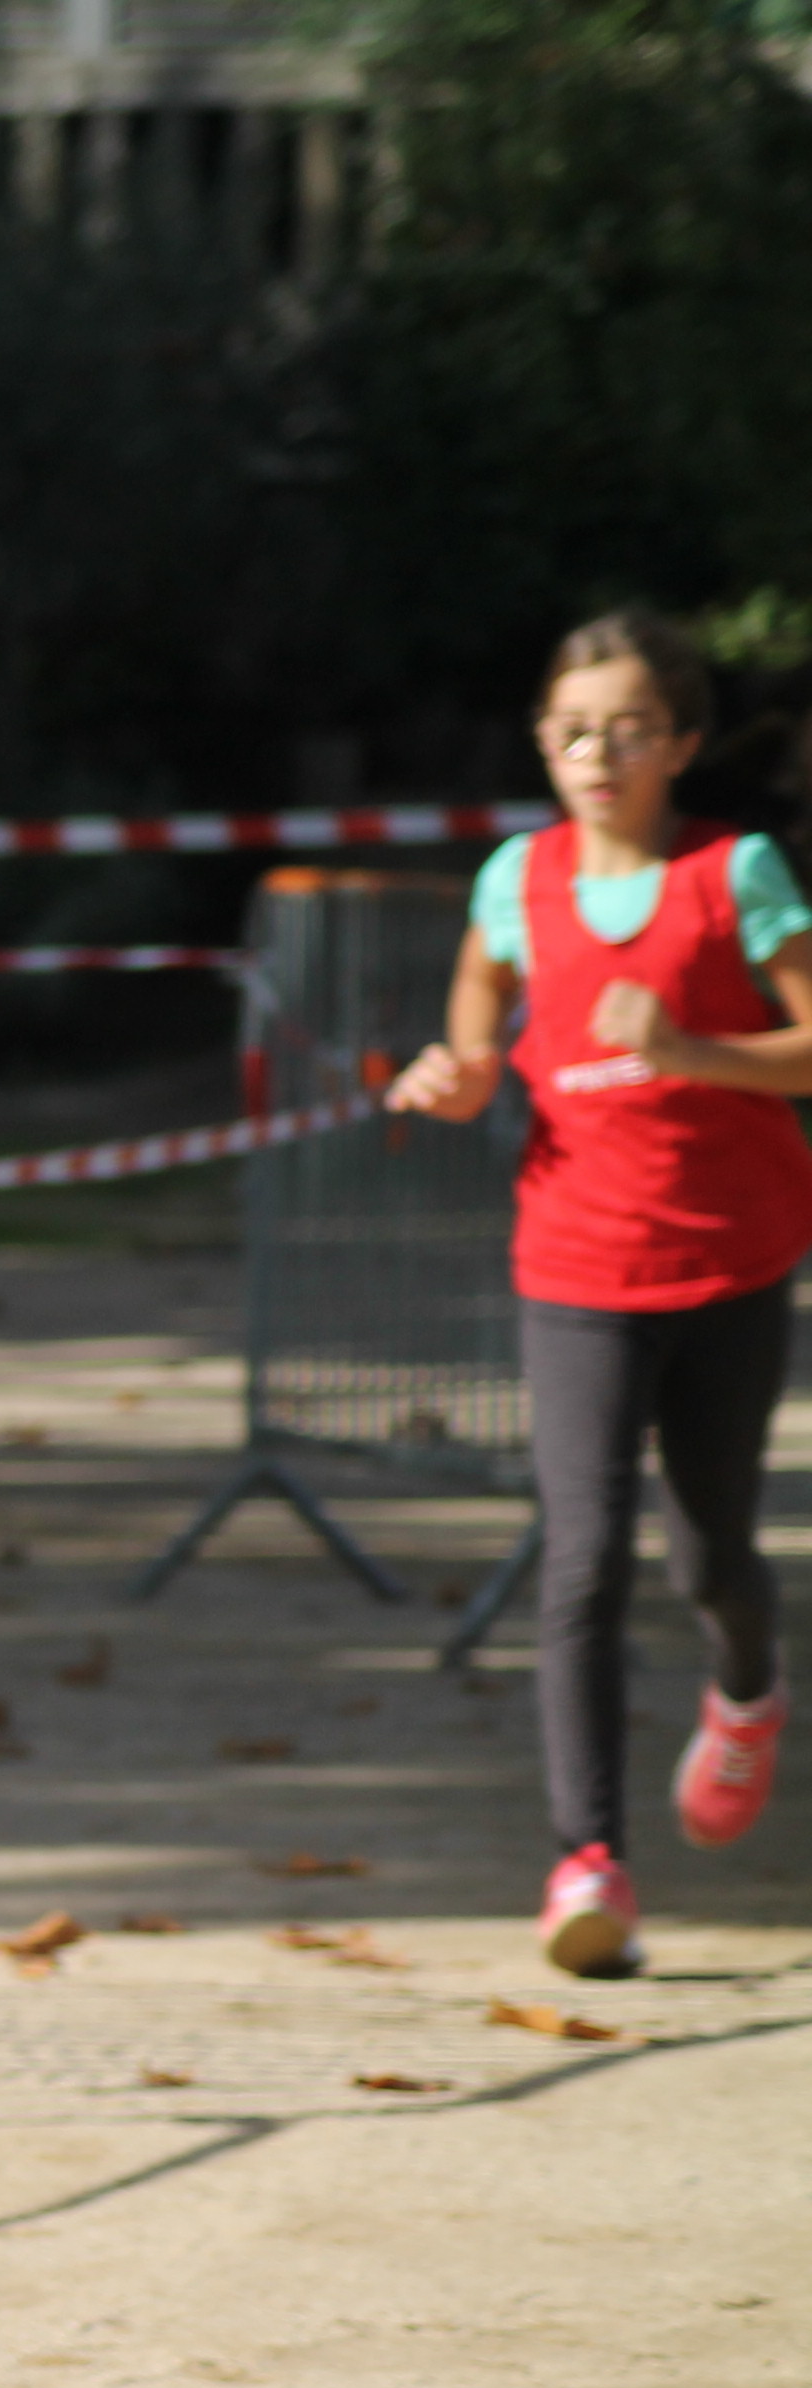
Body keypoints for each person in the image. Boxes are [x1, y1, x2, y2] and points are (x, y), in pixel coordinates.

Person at [386, 611, 812, 1977]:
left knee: (710, 1557)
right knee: (581, 1559)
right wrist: (459, 1070)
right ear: (542, 744)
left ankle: (746, 1693)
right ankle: (589, 1867)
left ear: (681, 744)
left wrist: (691, 1048)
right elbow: (479, 1001)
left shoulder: (734, 874)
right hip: (575, 1262)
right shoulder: (516, 878)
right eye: (572, 732)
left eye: (628, 731)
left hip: (729, 1261)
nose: (597, 755)